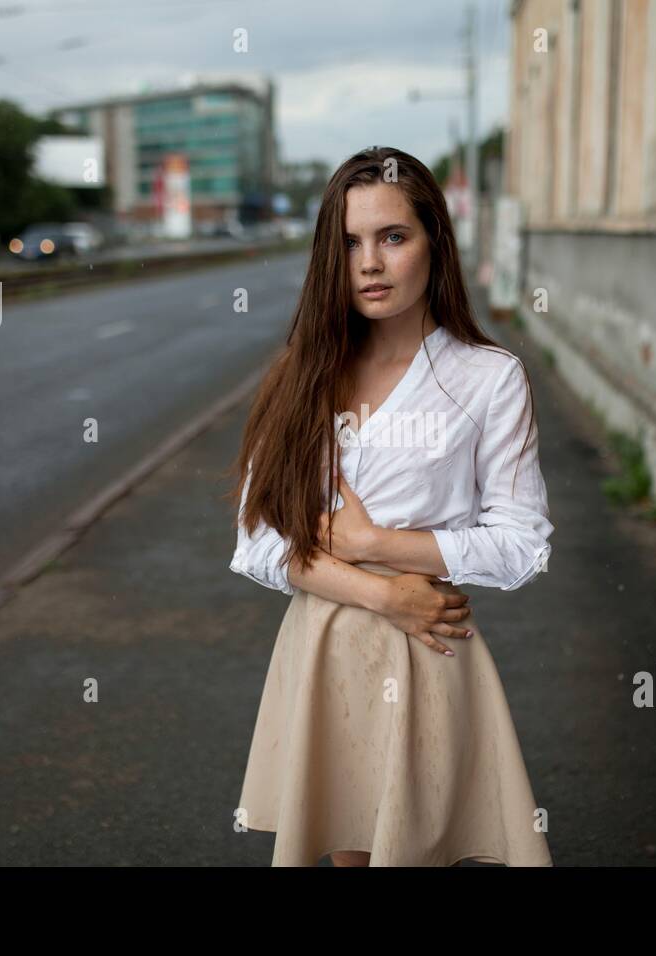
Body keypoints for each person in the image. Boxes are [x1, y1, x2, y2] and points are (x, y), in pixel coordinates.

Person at [228, 145, 554, 867]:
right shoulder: (301, 375)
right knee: (345, 852)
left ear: (435, 241)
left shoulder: (487, 379)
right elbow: (257, 540)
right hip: (323, 648)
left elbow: (521, 544)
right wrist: (380, 592)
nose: (369, 263)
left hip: (424, 645)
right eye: (349, 243)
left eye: (392, 237)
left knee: (411, 852)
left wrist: (376, 541)